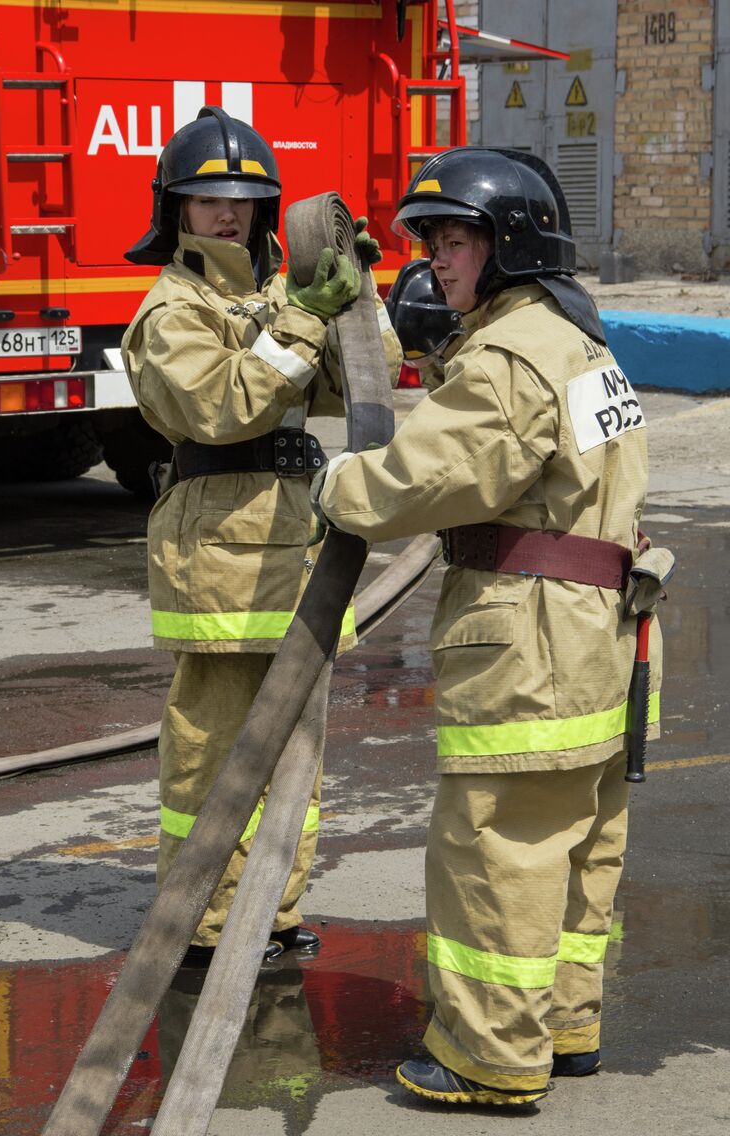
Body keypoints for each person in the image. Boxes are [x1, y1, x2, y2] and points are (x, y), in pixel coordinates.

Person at [313, 147, 664, 1107]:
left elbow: (418, 479)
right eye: (429, 241)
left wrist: (332, 483)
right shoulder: (580, 343)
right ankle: (566, 1027)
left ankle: (488, 1056)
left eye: (455, 239)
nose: (435, 261)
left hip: (532, 645)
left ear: (509, 244)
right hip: (601, 633)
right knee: (577, 845)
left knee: (494, 849)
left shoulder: (511, 356)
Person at [121, 106, 401, 965]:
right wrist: (308, 321)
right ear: (176, 209)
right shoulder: (173, 309)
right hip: (214, 553)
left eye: (245, 199)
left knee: (293, 755)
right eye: (209, 200)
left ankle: (270, 912)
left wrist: (357, 297)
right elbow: (220, 406)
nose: (229, 213)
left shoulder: (280, 291)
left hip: (293, 542)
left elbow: (368, 376)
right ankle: (202, 921)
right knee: (213, 753)